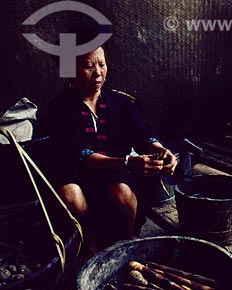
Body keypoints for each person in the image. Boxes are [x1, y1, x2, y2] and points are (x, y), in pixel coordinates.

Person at [46, 29, 177, 245]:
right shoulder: (60, 108)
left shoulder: (122, 103)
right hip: (77, 176)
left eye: (102, 64)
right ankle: (87, 243)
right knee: (70, 195)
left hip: (116, 174)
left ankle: (129, 238)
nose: (98, 73)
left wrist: (160, 150)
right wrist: (127, 163)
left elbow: (142, 135)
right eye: (89, 66)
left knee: (122, 192)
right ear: (69, 69)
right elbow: (83, 155)